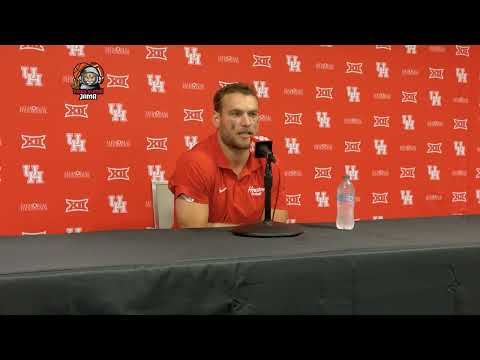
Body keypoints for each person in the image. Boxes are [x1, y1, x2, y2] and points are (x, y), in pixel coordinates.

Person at [168, 82, 288, 228]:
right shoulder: (195, 162)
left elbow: (274, 227)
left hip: (255, 250)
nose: (246, 122)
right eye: (236, 114)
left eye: (252, 114)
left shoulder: (268, 160)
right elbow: (194, 232)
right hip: (202, 250)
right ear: (217, 119)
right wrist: (253, 231)